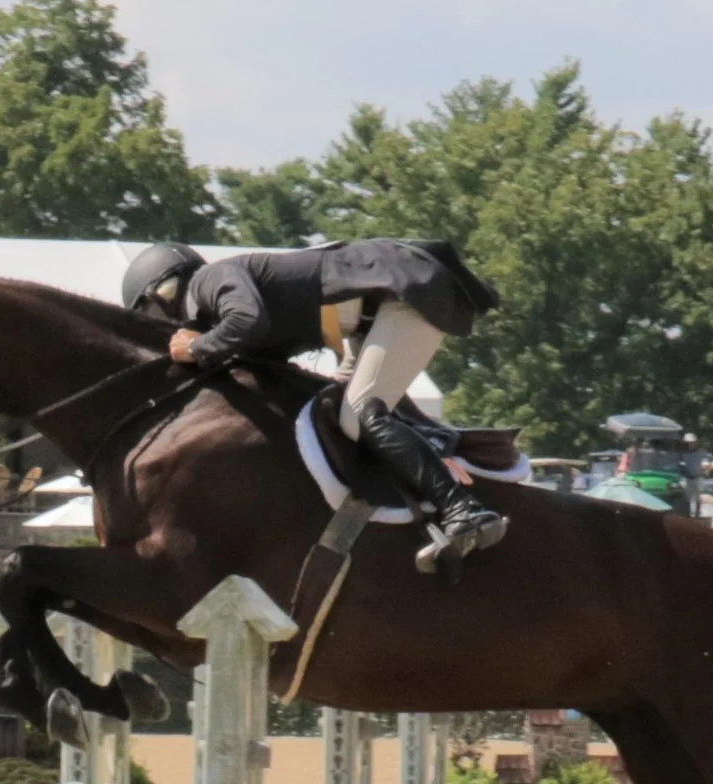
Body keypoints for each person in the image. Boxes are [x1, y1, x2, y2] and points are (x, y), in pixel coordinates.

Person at [122, 239, 505, 572]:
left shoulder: (208, 281)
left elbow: (248, 321)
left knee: (358, 415)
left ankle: (464, 510)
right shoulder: (215, 302)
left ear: (167, 291)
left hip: (403, 298)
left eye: (152, 315)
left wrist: (196, 347)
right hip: (369, 320)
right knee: (332, 418)